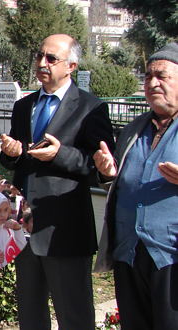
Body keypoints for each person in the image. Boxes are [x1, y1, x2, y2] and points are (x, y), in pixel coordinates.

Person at [0, 34, 115, 330]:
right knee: (29, 312)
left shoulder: (91, 107)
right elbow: (17, 158)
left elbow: (99, 164)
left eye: (51, 58)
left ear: (72, 65)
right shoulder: (25, 106)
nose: (42, 63)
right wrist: (11, 154)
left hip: (65, 229)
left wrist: (60, 155)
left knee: (73, 314)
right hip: (24, 227)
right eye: (39, 56)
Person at [93, 42, 178, 329]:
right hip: (129, 253)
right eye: (148, 76)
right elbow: (116, 181)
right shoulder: (134, 128)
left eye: (162, 76)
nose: (153, 83)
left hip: (170, 257)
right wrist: (106, 173)